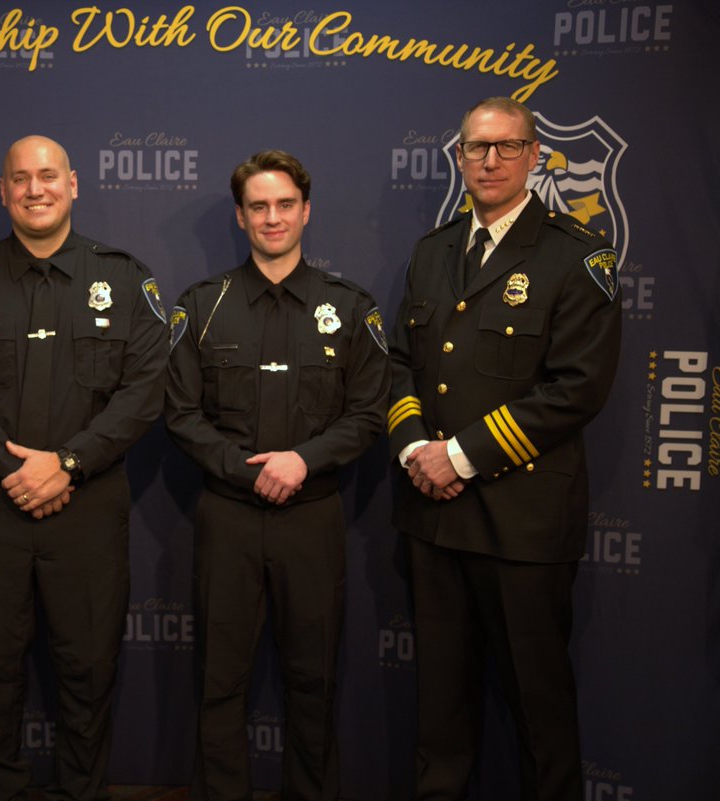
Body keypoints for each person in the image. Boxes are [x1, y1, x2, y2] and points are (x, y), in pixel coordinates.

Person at [386, 97, 622, 800]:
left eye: (506, 147)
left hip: (521, 524)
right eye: (476, 148)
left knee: (539, 711)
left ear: (535, 155)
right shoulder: (433, 252)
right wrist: (411, 451)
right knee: (440, 713)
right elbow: (400, 364)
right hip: (433, 520)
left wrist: (455, 455)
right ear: (458, 157)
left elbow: (577, 387)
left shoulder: (575, 256)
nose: (489, 161)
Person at [0, 135, 167, 801]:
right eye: (21, 178)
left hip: (86, 504)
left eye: (48, 176)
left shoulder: (123, 278)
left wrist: (68, 462)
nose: (36, 189)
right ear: (3, 191)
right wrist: (17, 468)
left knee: (88, 668)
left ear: (74, 184)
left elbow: (146, 387)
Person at [165, 150, 390, 801]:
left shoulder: (349, 307)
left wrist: (304, 460)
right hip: (228, 516)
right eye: (258, 206)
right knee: (219, 681)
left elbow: (369, 411)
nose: (272, 217)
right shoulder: (202, 306)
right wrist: (244, 469)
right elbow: (179, 413)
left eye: (285, 204)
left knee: (314, 681)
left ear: (306, 210)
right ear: (240, 216)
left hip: (313, 516)